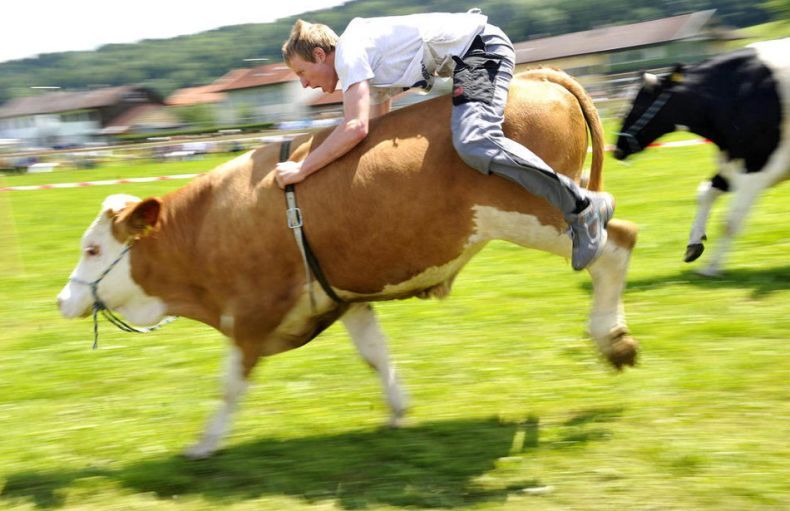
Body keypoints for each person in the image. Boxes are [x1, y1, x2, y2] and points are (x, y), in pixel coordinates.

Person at [278, 10, 614, 271]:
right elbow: (373, 133)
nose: (305, 85)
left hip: (480, 52)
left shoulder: (351, 52)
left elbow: (354, 127)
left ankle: (583, 207)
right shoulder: (364, 67)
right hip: (470, 59)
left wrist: (302, 169)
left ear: (321, 55)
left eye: (302, 73)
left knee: (474, 142)